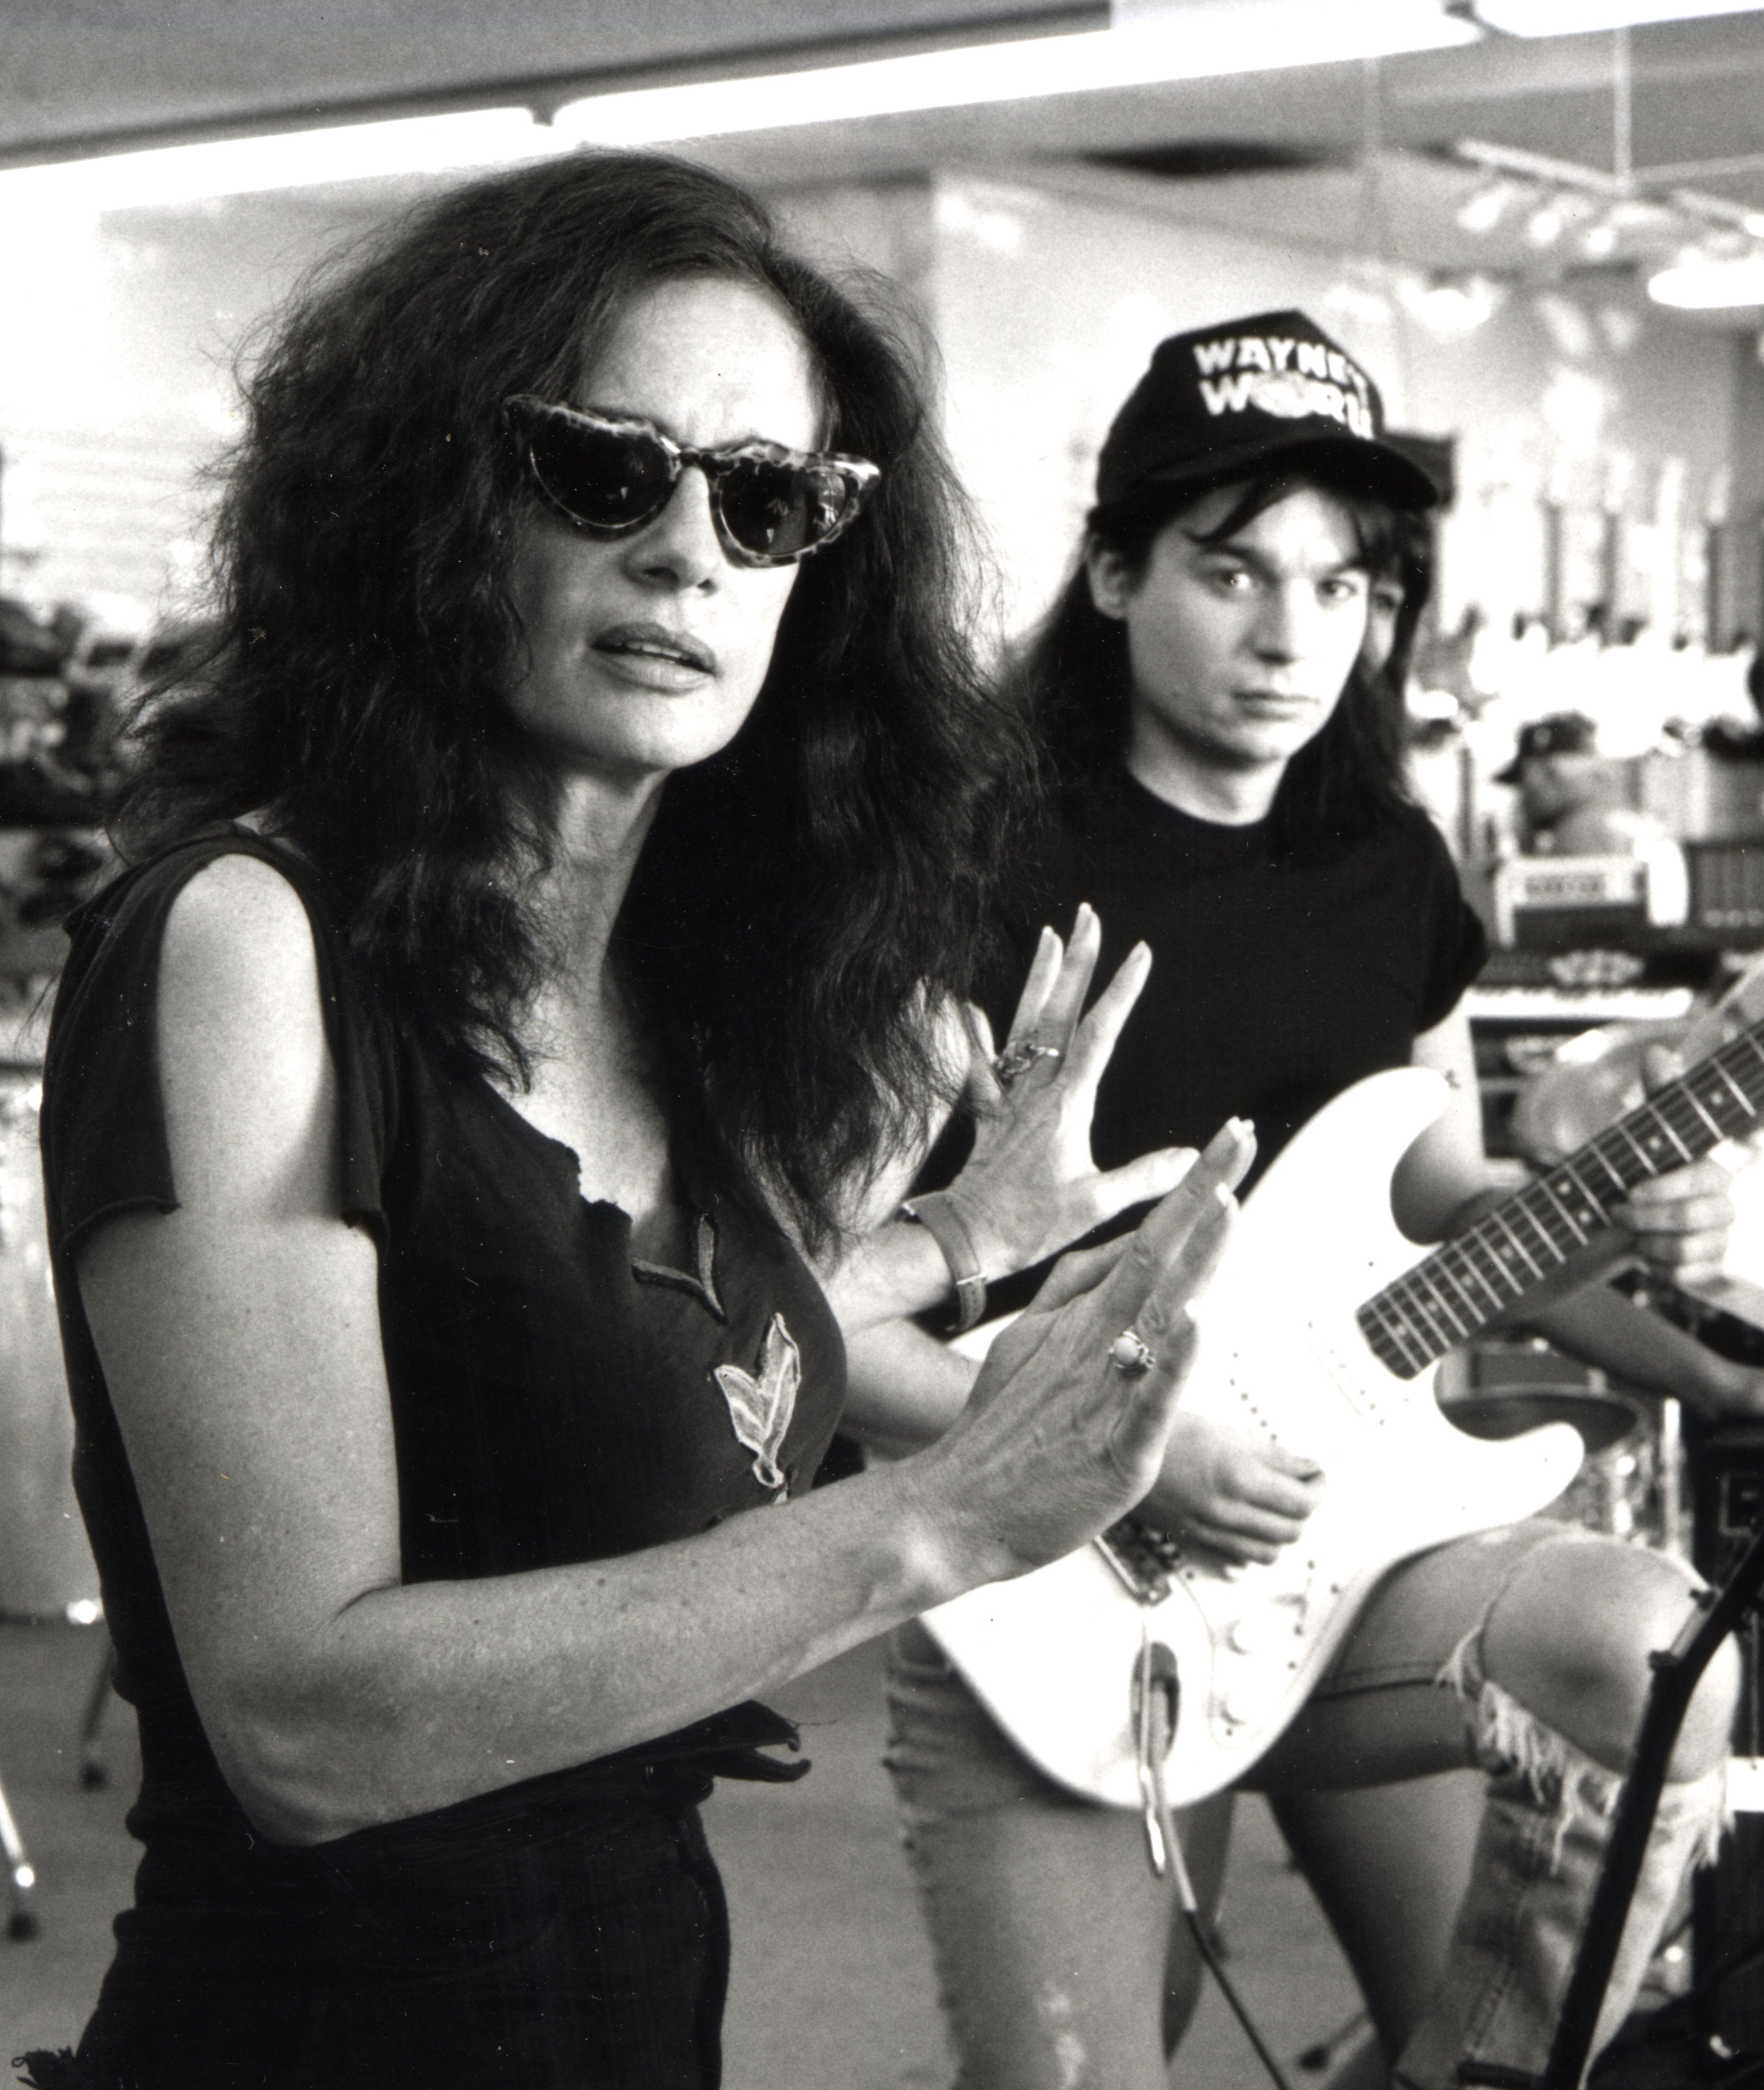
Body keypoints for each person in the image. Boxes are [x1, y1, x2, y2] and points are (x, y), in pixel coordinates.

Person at [18, 153, 1249, 2090]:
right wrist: (932, 1522)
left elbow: (595, 1363)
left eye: (767, 501)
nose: (691, 553)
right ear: (425, 501)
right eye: (605, 470)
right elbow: (306, 1719)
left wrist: (958, 1246)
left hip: (634, 2005)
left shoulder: (683, 990)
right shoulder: (249, 948)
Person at [859, 310, 1764, 2090]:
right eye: (1232, 572)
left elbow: (1449, 1205)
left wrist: (1676, 1314)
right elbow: (806, 1298)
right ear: (1109, 573)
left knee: (1648, 1667)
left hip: (1347, 1542)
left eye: (1343, 587)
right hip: (1037, 1579)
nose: (1289, 637)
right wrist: (1104, 1449)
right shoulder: (963, 860)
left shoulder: (1385, 862)